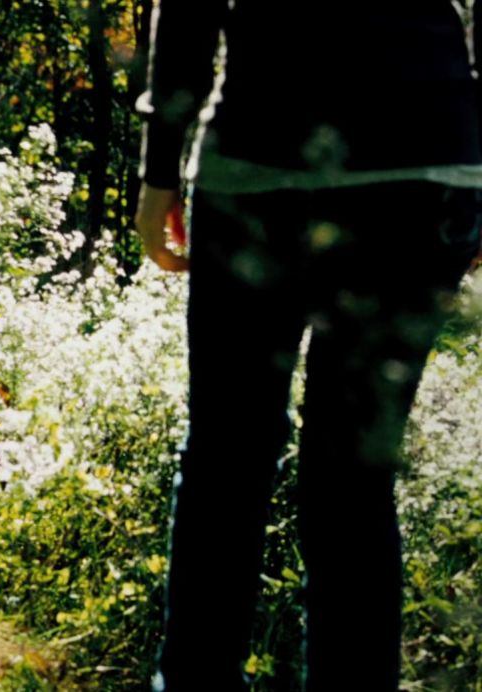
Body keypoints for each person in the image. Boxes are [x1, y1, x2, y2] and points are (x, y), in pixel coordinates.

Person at [134, 1, 482, 689]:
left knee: (228, 457)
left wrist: (159, 170)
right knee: (353, 476)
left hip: (264, 156)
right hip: (423, 166)